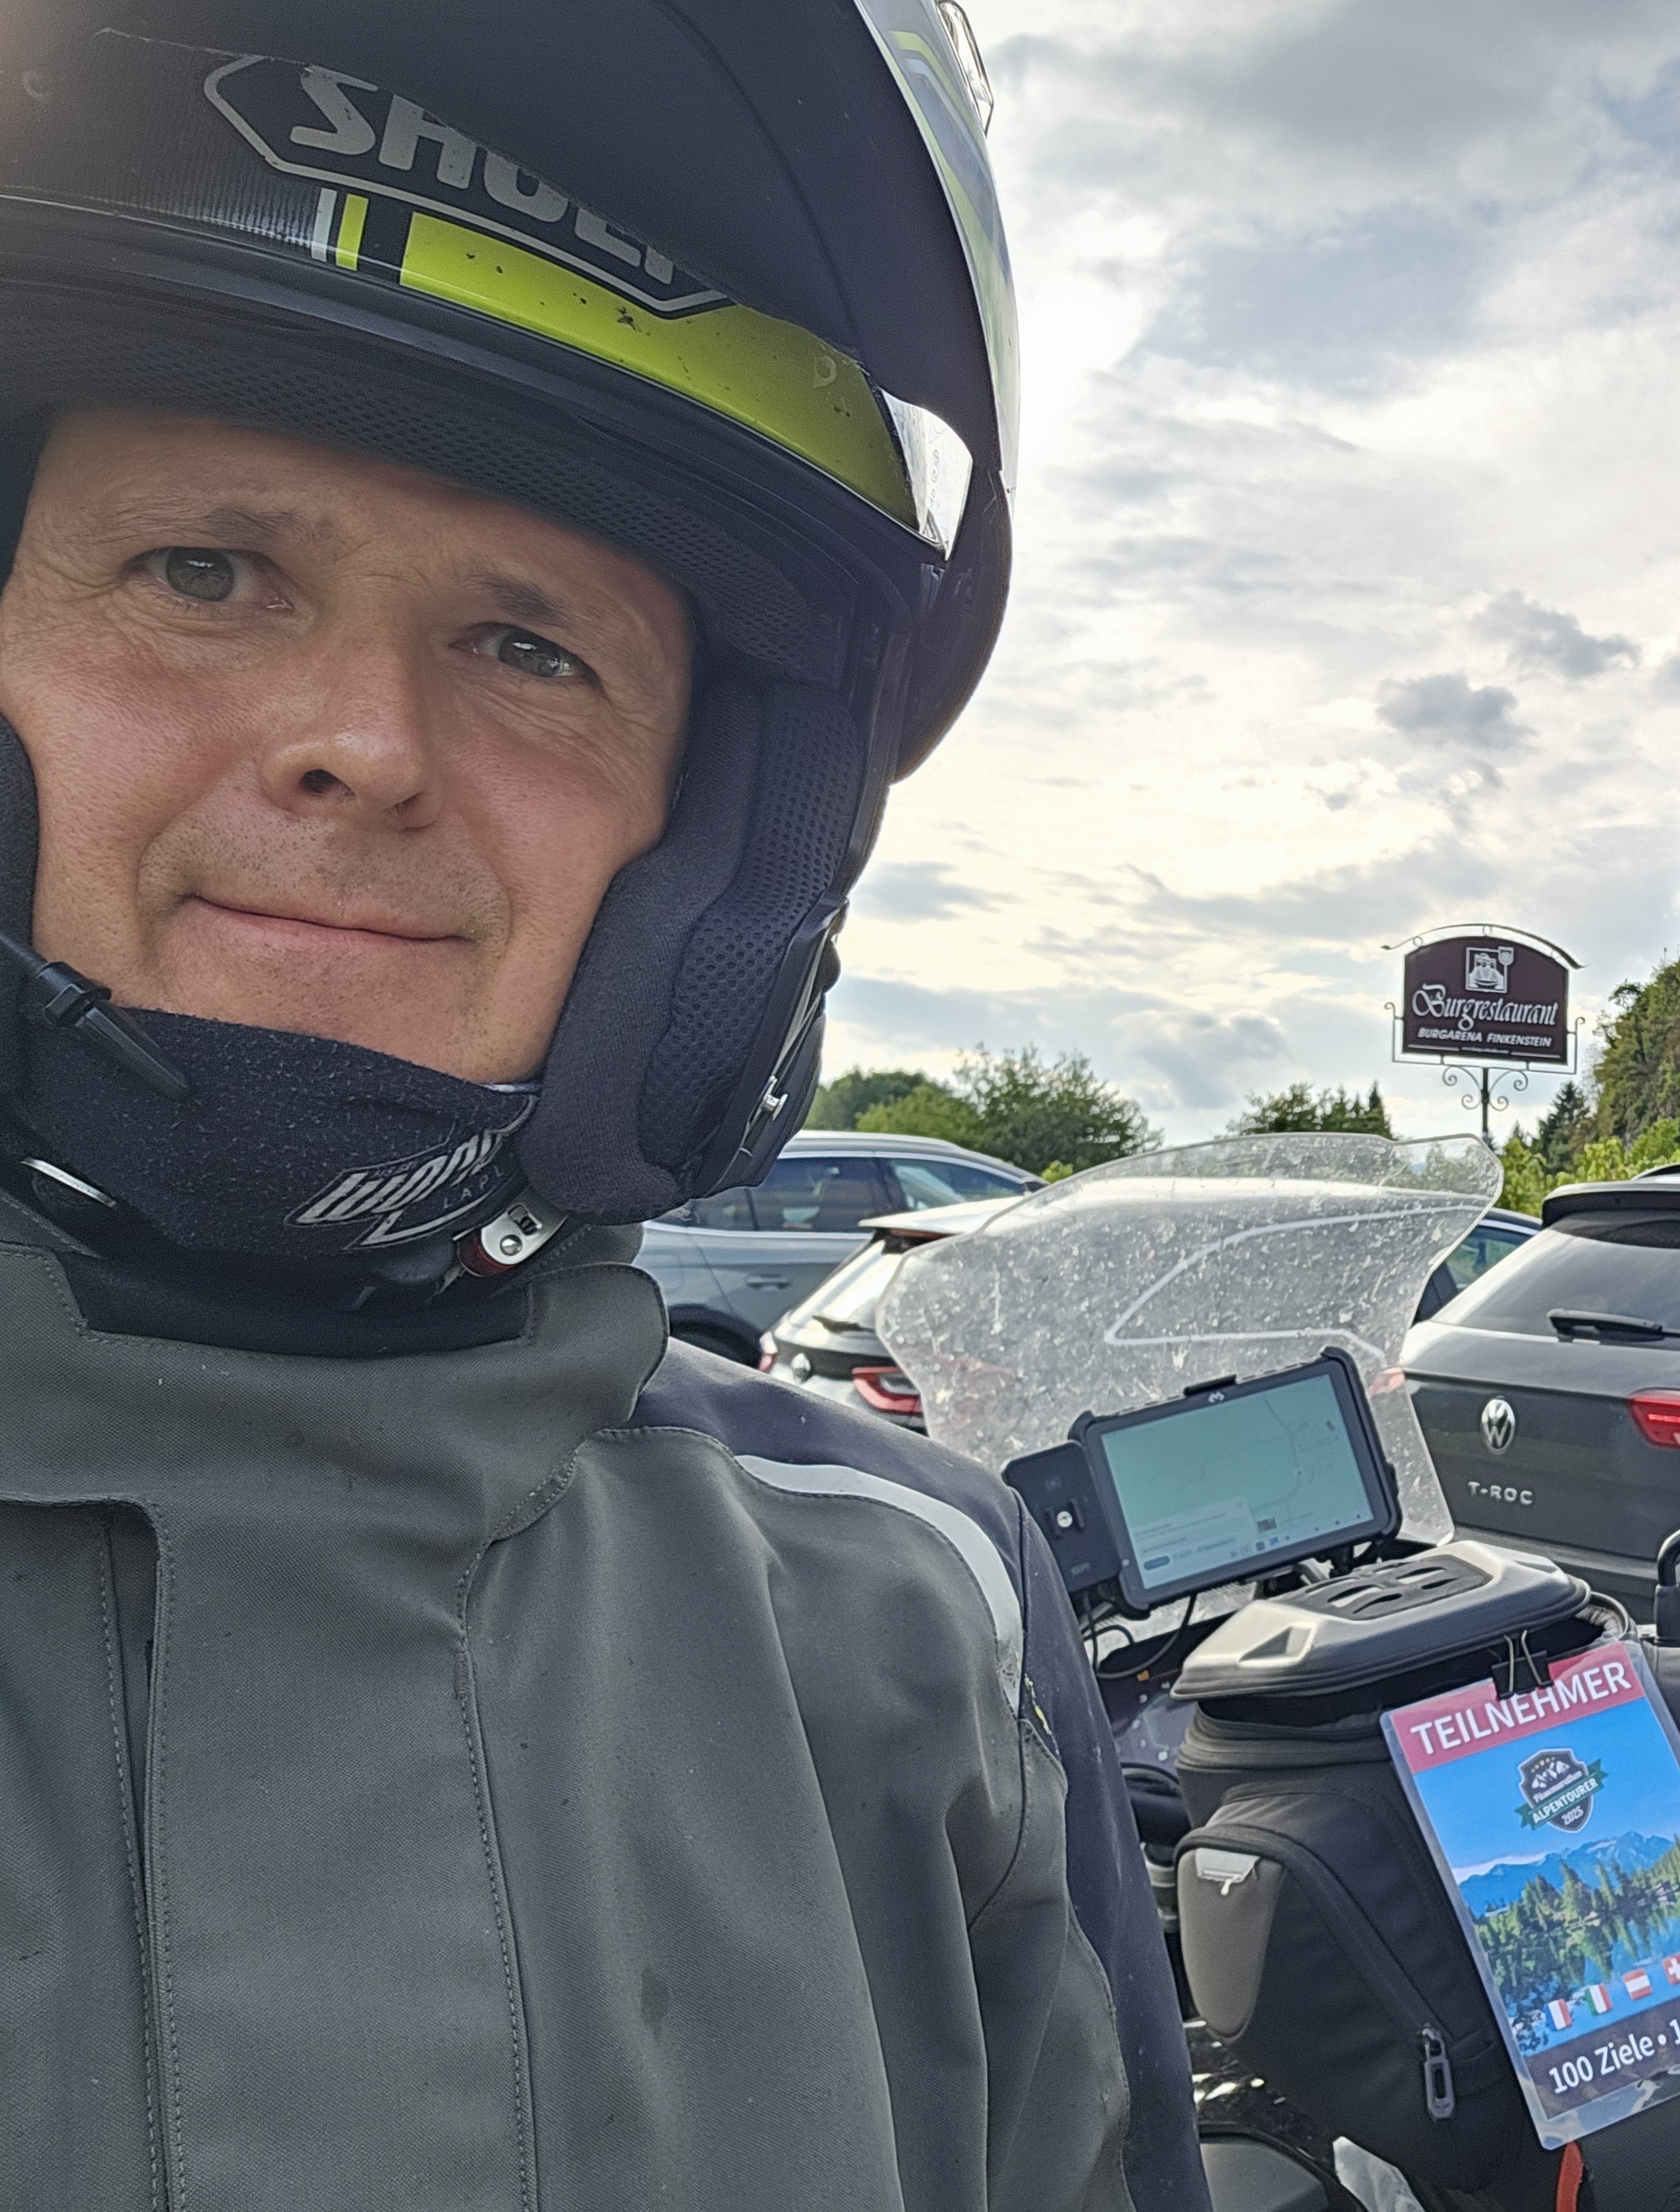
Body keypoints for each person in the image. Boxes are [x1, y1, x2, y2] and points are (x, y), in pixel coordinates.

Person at [0, 7, 1203, 2209]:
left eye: (532, 646)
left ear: (710, 840)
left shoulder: (917, 1620)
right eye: (204, 572)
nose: (364, 744)